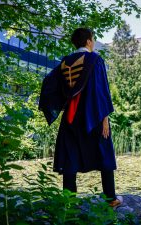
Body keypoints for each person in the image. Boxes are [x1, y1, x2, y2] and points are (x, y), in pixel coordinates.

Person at [39, 28, 123, 208]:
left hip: (70, 118)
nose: (93, 42)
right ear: (88, 41)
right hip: (93, 116)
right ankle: (111, 199)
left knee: (70, 157)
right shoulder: (95, 60)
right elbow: (101, 90)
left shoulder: (64, 63)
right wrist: (105, 118)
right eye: (93, 39)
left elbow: (48, 84)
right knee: (104, 153)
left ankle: (68, 202)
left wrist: (56, 107)